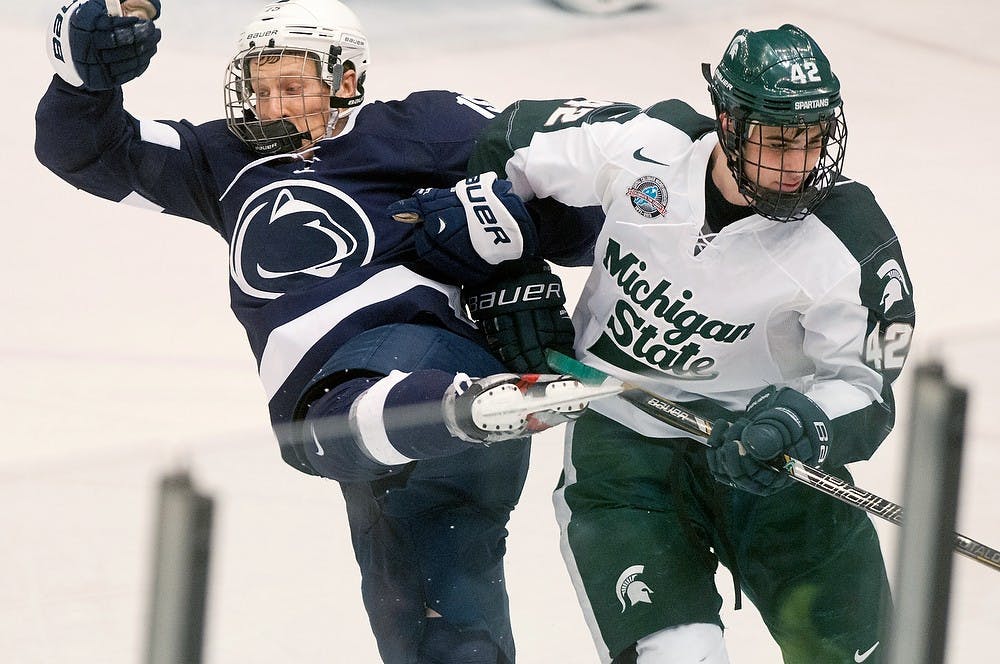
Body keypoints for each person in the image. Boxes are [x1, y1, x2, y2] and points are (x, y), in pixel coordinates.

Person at [35, 1, 606, 662]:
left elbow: (581, 202)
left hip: (419, 358)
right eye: (259, 86)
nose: (270, 104)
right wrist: (82, 82)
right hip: (387, 454)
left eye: (292, 86)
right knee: (429, 628)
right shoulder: (219, 157)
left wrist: (526, 237)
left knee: (318, 429)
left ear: (346, 79)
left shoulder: (426, 125)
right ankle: (468, 411)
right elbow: (87, 152)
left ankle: (464, 405)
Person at [395, 23, 916, 664]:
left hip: (769, 465)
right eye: (779, 141)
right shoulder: (648, 146)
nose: (799, 164)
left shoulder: (847, 240)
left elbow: (866, 388)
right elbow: (511, 140)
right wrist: (511, 275)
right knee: (677, 655)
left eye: (813, 141)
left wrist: (799, 423)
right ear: (727, 121)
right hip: (623, 456)